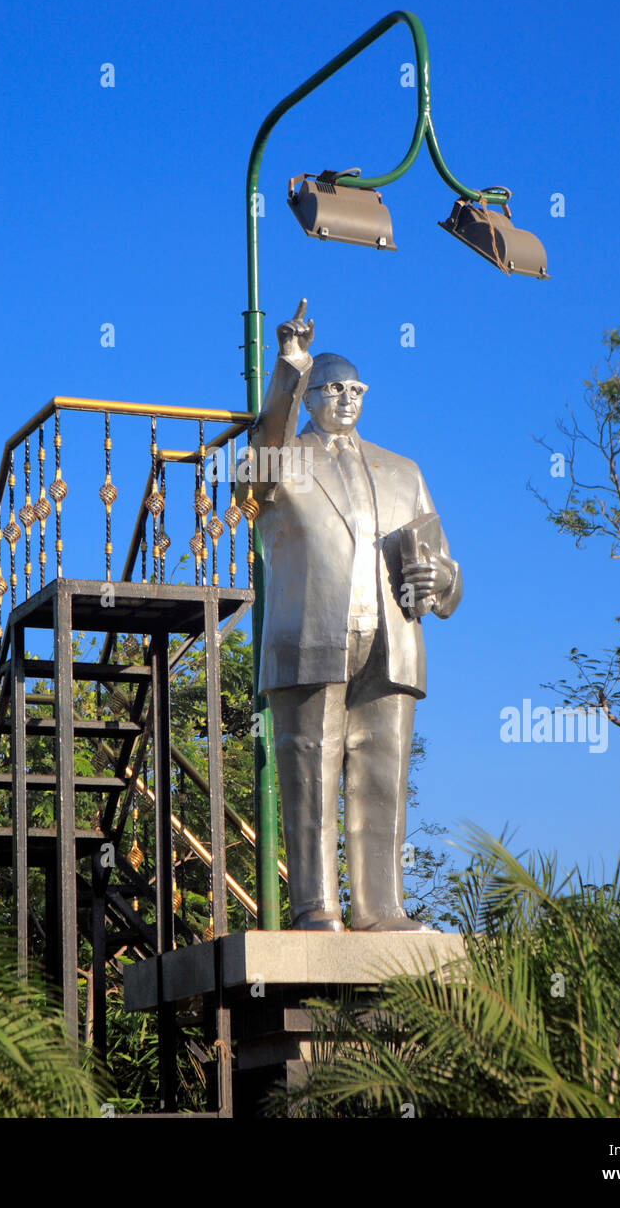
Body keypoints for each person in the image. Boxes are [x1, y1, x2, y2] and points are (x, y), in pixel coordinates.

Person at [242, 299, 462, 932]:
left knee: (382, 781)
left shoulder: (403, 471)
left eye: (356, 388)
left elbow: (449, 570)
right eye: (333, 387)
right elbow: (252, 474)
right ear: (310, 396)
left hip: (392, 640)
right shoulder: (283, 463)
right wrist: (288, 366)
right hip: (311, 636)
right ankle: (316, 907)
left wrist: (442, 578)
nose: (347, 397)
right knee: (310, 774)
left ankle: (381, 908)